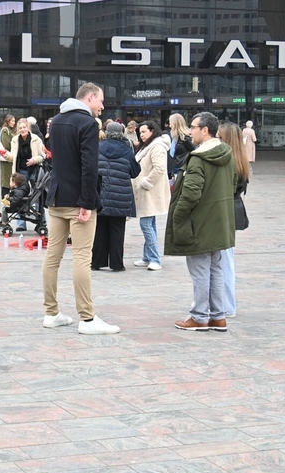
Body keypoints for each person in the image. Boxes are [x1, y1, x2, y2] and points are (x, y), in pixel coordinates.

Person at [42, 83, 119, 335]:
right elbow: (89, 166)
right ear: (90, 97)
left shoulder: (57, 122)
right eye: (101, 101)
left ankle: (51, 313)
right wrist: (87, 202)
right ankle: (87, 318)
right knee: (82, 258)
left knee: (52, 258)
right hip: (79, 200)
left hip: (56, 197)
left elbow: (58, 159)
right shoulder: (88, 124)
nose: (102, 106)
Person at [166, 111, 236, 332]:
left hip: (199, 223)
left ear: (205, 130)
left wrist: (178, 216)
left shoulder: (198, 158)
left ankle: (199, 316)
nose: (189, 131)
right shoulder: (227, 154)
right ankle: (218, 316)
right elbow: (233, 184)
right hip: (220, 222)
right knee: (216, 269)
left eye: (193, 127)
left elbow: (191, 193)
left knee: (200, 271)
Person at [91, 122, 139, 272]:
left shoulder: (97, 148)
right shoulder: (127, 150)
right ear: (122, 133)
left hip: (100, 194)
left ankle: (97, 262)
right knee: (118, 230)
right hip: (121, 196)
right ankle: (117, 264)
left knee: (100, 229)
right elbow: (135, 172)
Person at [217, 122, 250, 318]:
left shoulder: (228, 160)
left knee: (224, 261)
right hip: (233, 209)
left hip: (226, 210)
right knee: (224, 259)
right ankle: (224, 303)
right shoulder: (240, 159)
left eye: (220, 137)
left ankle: (227, 305)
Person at [133, 120, 171, 271]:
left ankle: (154, 258)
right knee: (150, 224)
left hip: (150, 191)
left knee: (146, 224)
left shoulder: (156, 147)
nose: (141, 135)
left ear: (152, 131)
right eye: (140, 132)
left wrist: (145, 182)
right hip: (147, 191)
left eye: (144, 132)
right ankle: (147, 256)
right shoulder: (149, 146)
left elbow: (159, 168)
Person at [166, 113, 194, 179]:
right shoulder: (175, 138)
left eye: (170, 123)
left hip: (182, 168)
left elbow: (194, 151)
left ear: (175, 123)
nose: (170, 126)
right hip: (175, 168)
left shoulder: (185, 138)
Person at [0, 114, 16, 198]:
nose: (14, 123)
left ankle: (8, 197)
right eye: (12, 121)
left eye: (14, 121)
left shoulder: (11, 130)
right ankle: (4, 197)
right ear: (7, 121)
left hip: (11, 158)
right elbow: (6, 145)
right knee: (6, 177)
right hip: (6, 157)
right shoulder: (5, 130)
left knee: (11, 177)